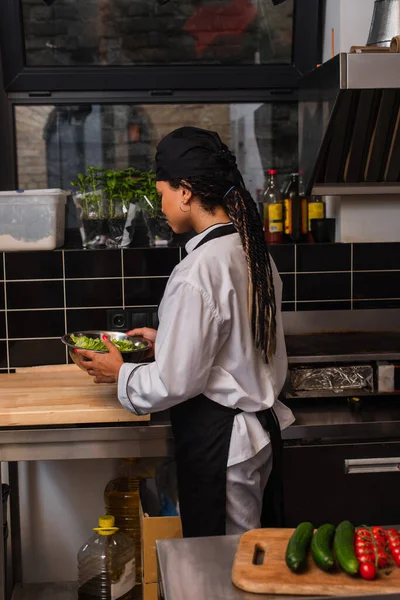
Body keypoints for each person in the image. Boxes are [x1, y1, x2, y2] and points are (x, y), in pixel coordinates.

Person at [77, 126, 295, 537]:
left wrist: (118, 372)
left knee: (226, 566)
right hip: (253, 437)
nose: (160, 205)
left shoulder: (198, 269)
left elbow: (177, 381)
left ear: (185, 191)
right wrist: (171, 340)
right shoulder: (251, 251)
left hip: (224, 445)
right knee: (249, 551)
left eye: (161, 193)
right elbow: (238, 341)